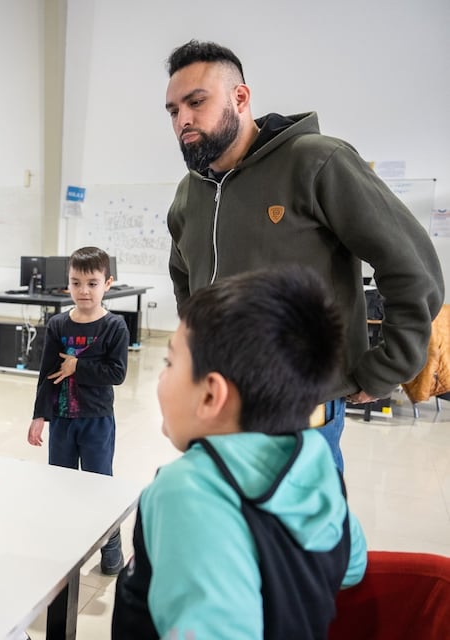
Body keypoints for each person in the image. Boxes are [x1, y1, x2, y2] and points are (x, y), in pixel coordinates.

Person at [163, 40, 444, 472]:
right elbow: (185, 282)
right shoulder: (190, 193)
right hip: (217, 406)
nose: (183, 119)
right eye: (173, 110)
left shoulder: (316, 162)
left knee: (302, 538)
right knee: (229, 532)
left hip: (300, 414)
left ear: (240, 98)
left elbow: (412, 267)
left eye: (196, 102)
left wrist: (388, 366)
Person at [111, 266, 367, 639]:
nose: (161, 375)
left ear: (212, 396)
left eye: (169, 363)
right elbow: (354, 565)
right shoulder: (317, 464)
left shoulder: (189, 491)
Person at [27, 246, 129, 575]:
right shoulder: (58, 324)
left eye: (92, 283)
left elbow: (117, 373)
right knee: (61, 485)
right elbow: (46, 375)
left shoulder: (114, 327)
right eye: (76, 283)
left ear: (107, 283)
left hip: (97, 420)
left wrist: (77, 367)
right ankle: (65, 546)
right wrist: (39, 416)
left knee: (100, 486)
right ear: (67, 284)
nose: (83, 291)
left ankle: (111, 546)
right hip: (62, 422)